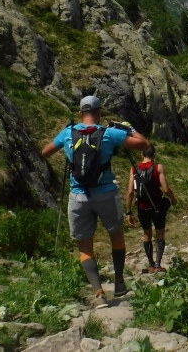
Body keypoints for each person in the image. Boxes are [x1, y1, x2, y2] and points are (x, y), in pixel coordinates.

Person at [41, 95, 150, 309]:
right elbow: (144, 144)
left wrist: (66, 143)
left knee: (84, 246)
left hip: (78, 196)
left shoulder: (68, 133)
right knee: (116, 237)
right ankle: (119, 283)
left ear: (80, 113)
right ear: (99, 113)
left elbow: (45, 152)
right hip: (106, 193)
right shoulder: (109, 133)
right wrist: (127, 128)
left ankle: (98, 293)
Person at [125, 146, 177, 273]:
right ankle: (158, 265)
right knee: (160, 233)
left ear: (142, 154)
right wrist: (173, 199)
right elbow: (166, 189)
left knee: (147, 234)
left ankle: (150, 264)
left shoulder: (134, 168)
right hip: (156, 205)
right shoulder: (158, 167)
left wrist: (128, 211)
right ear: (154, 155)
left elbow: (130, 191)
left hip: (141, 207)